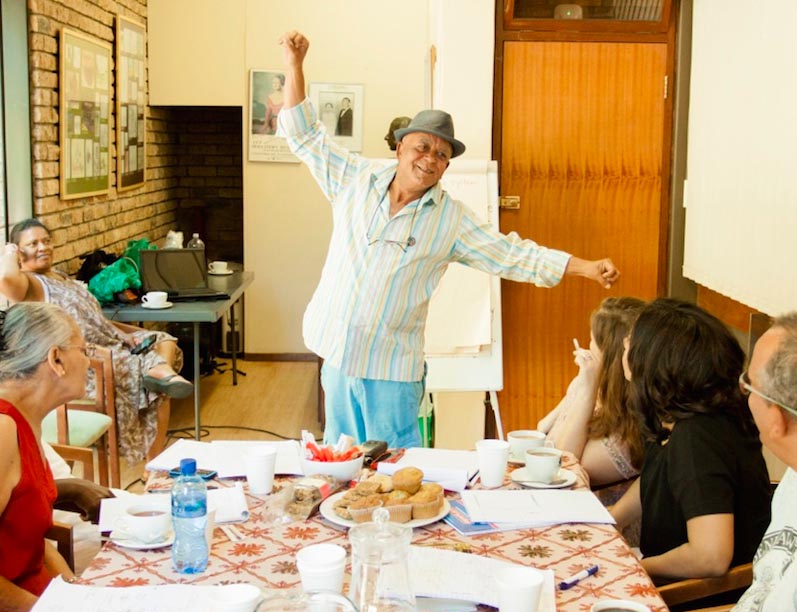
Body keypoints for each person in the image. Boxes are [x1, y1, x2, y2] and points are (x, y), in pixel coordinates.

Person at [277, 30, 620, 448]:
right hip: (337, 354)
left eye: (441, 156)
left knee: (395, 472)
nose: (430, 159)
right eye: (423, 147)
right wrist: (294, 64)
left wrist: (585, 266)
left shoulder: (450, 220)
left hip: (392, 371)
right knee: (338, 458)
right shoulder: (355, 179)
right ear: (401, 148)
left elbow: (512, 254)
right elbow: (305, 135)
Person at [0, 219, 193, 462]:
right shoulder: (29, 284)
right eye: (33, 243)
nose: (43, 247)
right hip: (86, 359)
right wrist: (8, 251)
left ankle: (159, 373)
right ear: (19, 250)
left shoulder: (59, 276)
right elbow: (5, 277)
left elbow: (96, 318)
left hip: (110, 340)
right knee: (157, 391)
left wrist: (125, 334)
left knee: (164, 339)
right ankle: (154, 460)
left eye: (46, 241)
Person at [611, 298, 771, 581]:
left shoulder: (697, 437)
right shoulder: (685, 415)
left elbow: (710, 557)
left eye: (630, 343)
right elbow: (660, 476)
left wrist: (634, 568)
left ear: (655, 362)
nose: (625, 347)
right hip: (667, 576)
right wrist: (613, 518)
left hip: (689, 599)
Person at [700, 313, 797, 612]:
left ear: (777, 418)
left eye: (749, 385)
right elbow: (756, 605)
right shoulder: (792, 478)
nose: (743, 393)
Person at [0, 303, 84, 612]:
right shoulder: (2, 430)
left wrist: (73, 592)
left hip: (33, 609)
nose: (89, 359)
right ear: (56, 359)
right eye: (83, 349)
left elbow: (34, 540)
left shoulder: (26, 422)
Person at [538, 296, 645, 487]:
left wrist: (587, 389)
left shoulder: (629, 433)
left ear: (610, 355)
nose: (588, 347)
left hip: (595, 512)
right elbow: (543, 428)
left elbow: (561, 466)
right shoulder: (595, 386)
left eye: (592, 341)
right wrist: (581, 386)